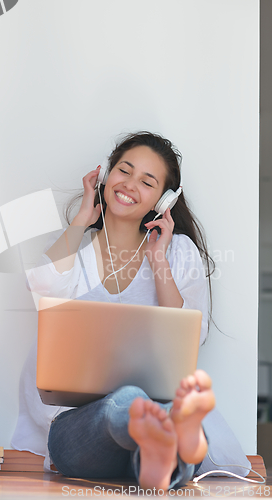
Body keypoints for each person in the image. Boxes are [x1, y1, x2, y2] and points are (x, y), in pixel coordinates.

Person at [13, 132, 217, 490]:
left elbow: (190, 335)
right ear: (106, 176)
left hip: (148, 420)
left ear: (165, 200)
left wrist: (157, 260)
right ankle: (177, 439)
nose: (130, 185)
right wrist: (80, 221)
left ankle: (159, 458)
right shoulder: (71, 245)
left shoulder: (177, 252)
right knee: (127, 404)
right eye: (125, 170)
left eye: (147, 182)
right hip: (76, 424)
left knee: (144, 412)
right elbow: (42, 286)